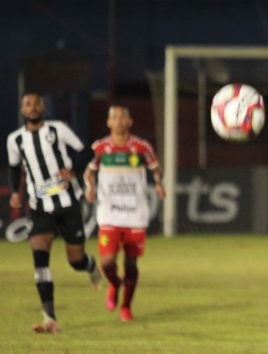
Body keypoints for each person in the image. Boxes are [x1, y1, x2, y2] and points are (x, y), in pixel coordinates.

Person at [6, 92, 102, 333]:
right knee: (40, 260)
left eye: (37, 103)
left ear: (43, 107)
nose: (33, 107)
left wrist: (74, 171)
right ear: (22, 109)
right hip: (39, 208)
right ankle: (50, 318)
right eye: (28, 104)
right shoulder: (15, 140)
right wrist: (16, 192)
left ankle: (90, 265)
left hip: (68, 203)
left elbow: (86, 152)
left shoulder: (58, 129)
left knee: (75, 261)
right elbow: (14, 167)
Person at [83, 105, 165, 322]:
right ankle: (114, 284)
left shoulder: (141, 147)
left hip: (135, 214)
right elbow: (89, 173)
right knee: (107, 263)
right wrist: (89, 187)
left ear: (130, 122)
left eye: (122, 118)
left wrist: (158, 183)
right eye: (114, 118)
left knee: (131, 264)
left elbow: (155, 168)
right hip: (109, 214)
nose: (118, 121)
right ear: (108, 123)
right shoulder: (100, 148)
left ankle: (126, 306)